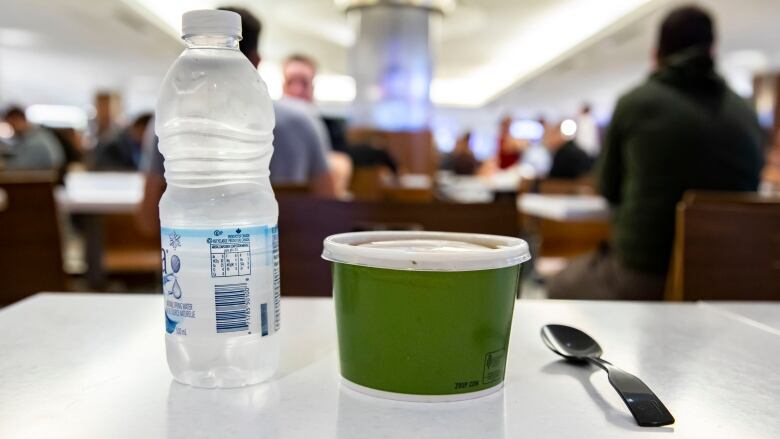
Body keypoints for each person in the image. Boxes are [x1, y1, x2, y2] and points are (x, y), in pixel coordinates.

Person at [548, 5, 764, 300]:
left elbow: (608, 188)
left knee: (559, 284)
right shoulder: (746, 112)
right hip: (732, 281)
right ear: (713, 50)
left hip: (644, 275)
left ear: (656, 53)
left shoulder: (635, 103)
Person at [139, 7, 337, 234]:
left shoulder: (170, 116)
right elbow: (329, 209)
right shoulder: (304, 122)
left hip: (191, 263)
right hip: (290, 264)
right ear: (257, 61)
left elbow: (148, 220)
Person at [282, 53, 352, 196]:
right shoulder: (266, 123)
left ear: (312, 87)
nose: (297, 90)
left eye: (304, 83)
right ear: (283, 85)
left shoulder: (327, 126)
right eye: (291, 82)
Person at [1, 106, 64, 171]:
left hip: (42, 178)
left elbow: (20, 165)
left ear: (18, 120)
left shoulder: (36, 141)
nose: (13, 130)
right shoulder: (38, 135)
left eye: (12, 125)